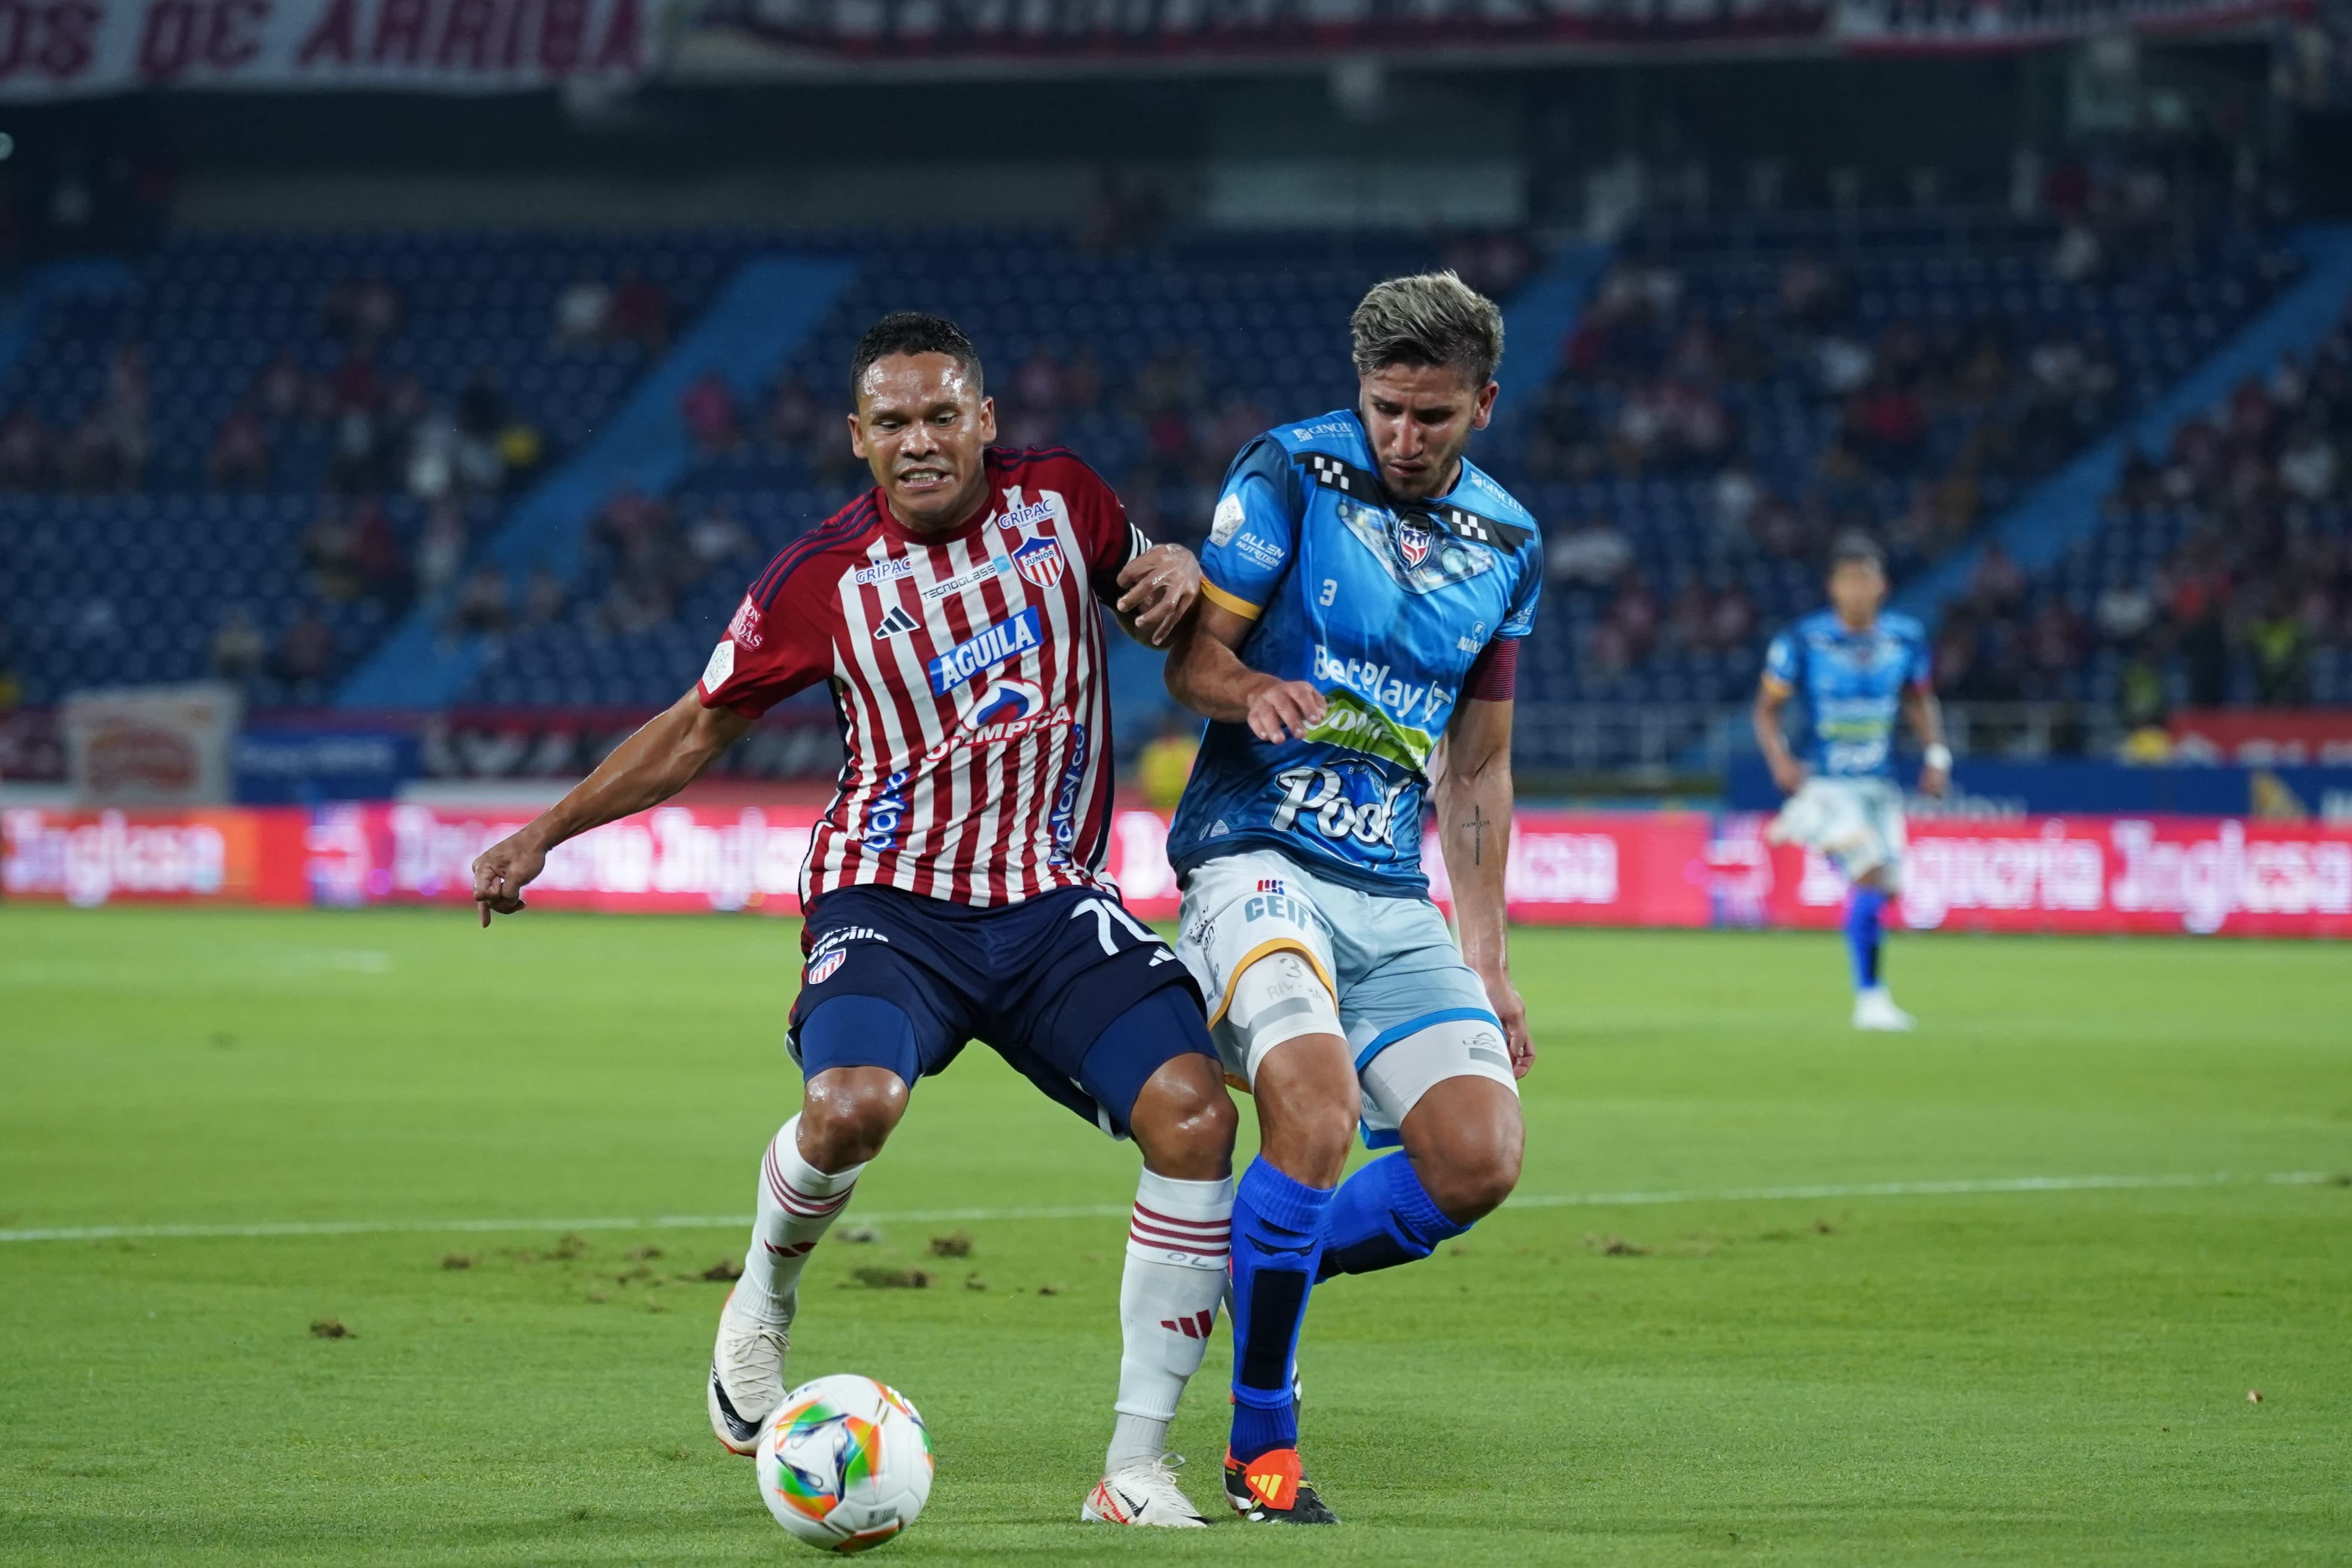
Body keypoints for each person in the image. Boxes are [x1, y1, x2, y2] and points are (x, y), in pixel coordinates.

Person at [468, 313, 1240, 1529]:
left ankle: (1136, 1468)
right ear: (857, 439)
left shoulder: (1067, 501)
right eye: (894, 423)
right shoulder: (816, 579)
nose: (921, 442)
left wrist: (1188, 564)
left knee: (1197, 1120)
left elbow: (1162, 594)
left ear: (985, 419)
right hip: (891, 904)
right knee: (850, 1106)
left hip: (1049, 903)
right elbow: (694, 727)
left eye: (943, 416)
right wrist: (544, 831)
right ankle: (762, 1300)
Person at [1158, 271, 1541, 1525]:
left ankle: (1245, 1250)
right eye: (1385, 407)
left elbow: (1476, 768)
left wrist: (1486, 957)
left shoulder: (1510, 545)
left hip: (1387, 886)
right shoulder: (1289, 473)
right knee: (1315, 1119)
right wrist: (1247, 692)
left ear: (1483, 404)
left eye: (1433, 415)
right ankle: (1260, 1441)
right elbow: (1192, 655)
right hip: (1253, 852)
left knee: (1478, 1157)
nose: (1403, 437)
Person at [1751, 533, 1950, 1031]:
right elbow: (1766, 710)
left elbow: (1919, 699)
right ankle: (1871, 1000)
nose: (1858, 590)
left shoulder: (1904, 638)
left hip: (1879, 787)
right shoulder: (1803, 640)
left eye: (1866, 579)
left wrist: (1937, 754)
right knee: (1868, 874)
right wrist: (1780, 761)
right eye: (1848, 580)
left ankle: (1808, 824)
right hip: (1831, 784)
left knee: (1888, 887)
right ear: (1833, 587)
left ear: (1882, 585)